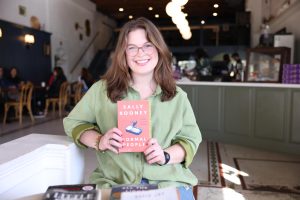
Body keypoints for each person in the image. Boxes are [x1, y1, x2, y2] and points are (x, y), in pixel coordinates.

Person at [63, 17, 202, 199]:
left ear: (158, 49)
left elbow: (190, 140)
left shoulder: (177, 96)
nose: (140, 53)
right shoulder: (101, 90)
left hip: (168, 182)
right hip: (115, 183)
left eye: (147, 45)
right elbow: (73, 123)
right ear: (123, 53)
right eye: (132, 47)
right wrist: (100, 141)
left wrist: (165, 156)